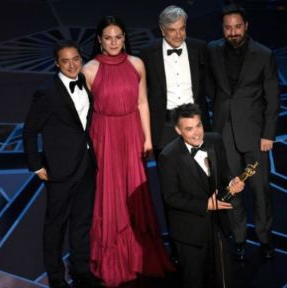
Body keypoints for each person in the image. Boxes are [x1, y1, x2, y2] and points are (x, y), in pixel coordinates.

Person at [82, 16, 174, 287]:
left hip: (132, 132)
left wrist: (147, 138)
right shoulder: (89, 69)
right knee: (109, 193)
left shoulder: (136, 64)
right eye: (107, 37)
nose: (113, 42)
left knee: (136, 190)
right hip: (105, 135)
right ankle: (113, 258)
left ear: (125, 38)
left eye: (118, 37)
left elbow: (143, 102)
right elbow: (83, 112)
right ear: (99, 39)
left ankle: (139, 255)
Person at [22, 41, 100, 288]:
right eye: (65, 61)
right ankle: (56, 278)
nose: (71, 64)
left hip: (86, 165)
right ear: (57, 63)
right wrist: (36, 165)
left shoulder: (85, 84)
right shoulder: (47, 92)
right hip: (59, 170)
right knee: (56, 226)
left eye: (75, 59)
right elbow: (29, 131)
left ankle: (82, 271)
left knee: (82, 222)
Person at [207, 4, 280, 260]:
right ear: (223, 28)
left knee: (260, 190)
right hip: (224, 132)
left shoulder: (263, 54)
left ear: (246, 26)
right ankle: (239, 237)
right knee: (232, 188)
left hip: (254, 135)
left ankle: (264, 237)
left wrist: (268, 134)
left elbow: (272, 97)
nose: (233, 32)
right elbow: (210, 87)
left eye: (237, 27)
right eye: (228, 27)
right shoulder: (212, 50)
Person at [158, 103, 245, 288]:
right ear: (178, 130)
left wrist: (232, 183)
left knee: (223, 279)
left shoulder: (215, 140)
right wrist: (205, 204)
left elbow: (224, 173)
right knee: (194, 280)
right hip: (190, 231)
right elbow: (171, 197)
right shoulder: (168, 156)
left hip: (217, 225)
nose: (197, 133)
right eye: (189, 129)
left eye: (199, 125)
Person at [139, 5, 211, 159]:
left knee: (201, 174)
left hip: (196, 120)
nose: (178, 35)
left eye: (182, 28)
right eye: (172, 30)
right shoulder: (147, 53)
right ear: (162, 29)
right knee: (168, 177)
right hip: (164, 125)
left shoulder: (199, 48)